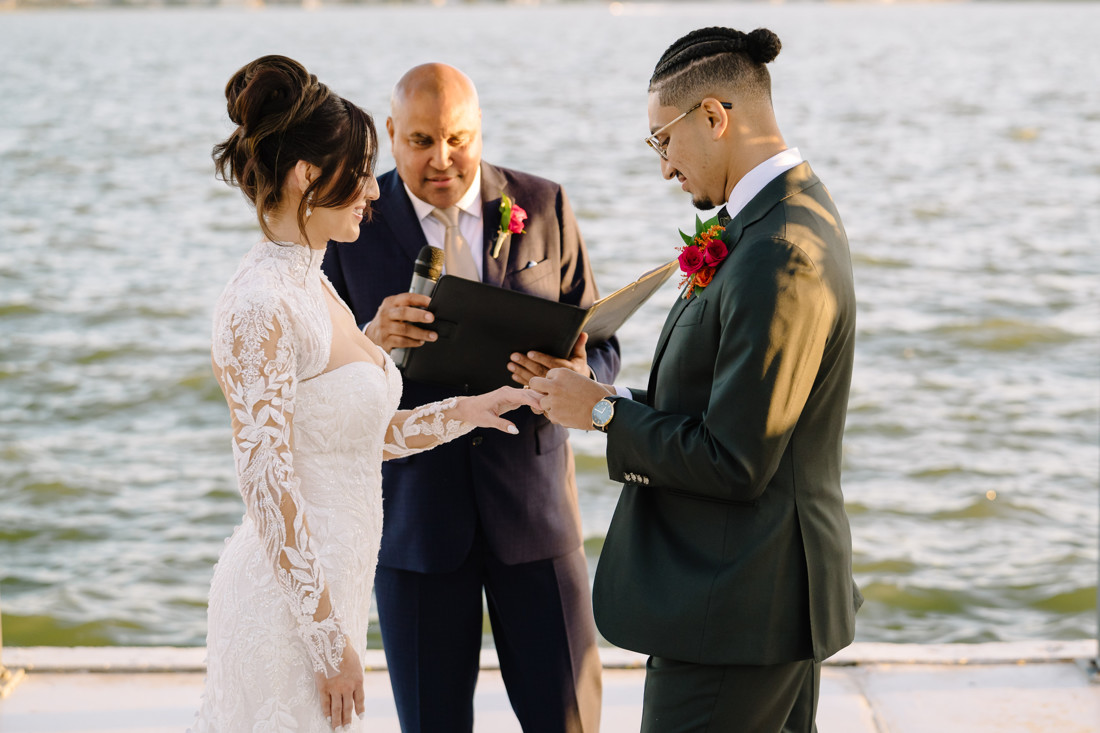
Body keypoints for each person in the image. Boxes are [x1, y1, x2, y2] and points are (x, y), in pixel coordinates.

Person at [191, 55, 539, 733]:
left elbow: (354, 440)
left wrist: (467, 412)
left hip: (333, 598)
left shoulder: (313, 285)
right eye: (357, 177)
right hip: (287, 616)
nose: (373, 196)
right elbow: (266, 477)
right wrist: (326, 644)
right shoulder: (260, 304)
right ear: (306, 177)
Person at [530, 27, 863, 732]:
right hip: (746, 604)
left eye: (663, 141)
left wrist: (604, 417)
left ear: (715, 116)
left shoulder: (778, 250)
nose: (664, 169)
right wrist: (599, 397)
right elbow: (720, 409)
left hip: (738, 612)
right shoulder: (773, 219)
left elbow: (737, 459)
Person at [322, 63, 617, 733]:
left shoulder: (545, 205)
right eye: (422, 140)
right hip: (415, 524)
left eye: (459, 138)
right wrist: (371, 340)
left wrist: (575, 368)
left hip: (537, 513)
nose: (443, 159)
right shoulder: (349, 226)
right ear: (391, 134)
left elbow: (603, 347)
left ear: (480, 129)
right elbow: (319, 391)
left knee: (571, 721)